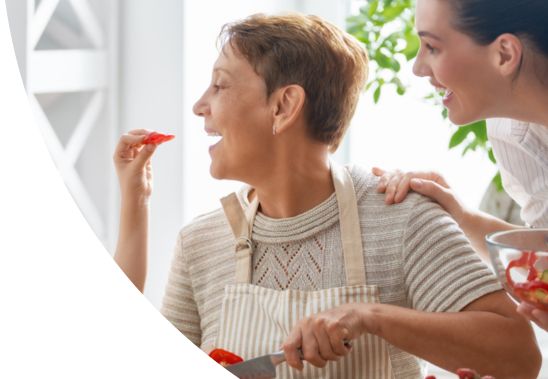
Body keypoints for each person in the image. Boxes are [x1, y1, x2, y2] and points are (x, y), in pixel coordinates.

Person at [113, 13, 540, 378]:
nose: (200, 106)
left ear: (283, 106)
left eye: (220, 86)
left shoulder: (400, 216)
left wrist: (371, 318)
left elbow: (519, 357)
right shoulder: (201, 243)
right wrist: (136, 204)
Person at [373, 0, 548, 332]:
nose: (417, 68)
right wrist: (460, 215)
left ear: (505, 55)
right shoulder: (511, 130)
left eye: (432, 47)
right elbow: (542, 253)